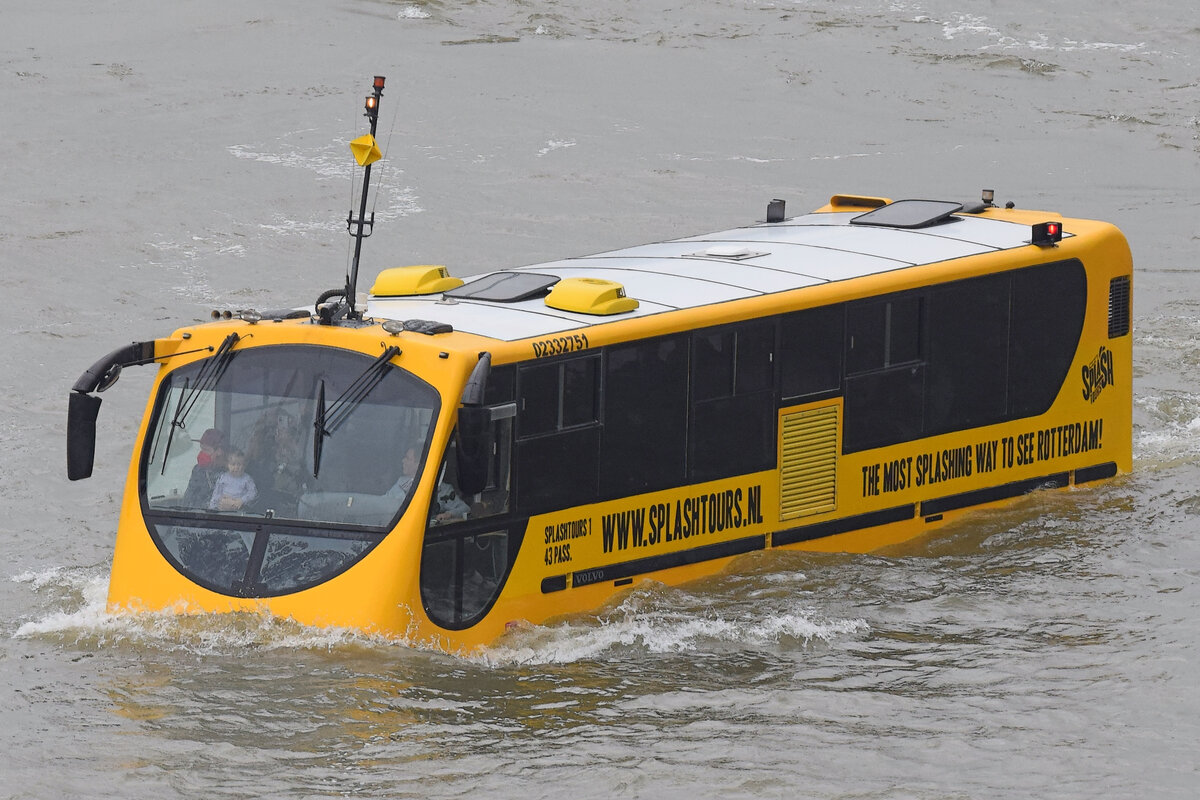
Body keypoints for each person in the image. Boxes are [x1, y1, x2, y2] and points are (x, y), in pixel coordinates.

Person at [183, 428, 226, 508]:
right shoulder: (197, 469)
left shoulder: (231, 472)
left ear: (219, 451)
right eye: (201, 449)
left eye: (206, 450)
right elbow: (188, 499)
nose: (202, 454)